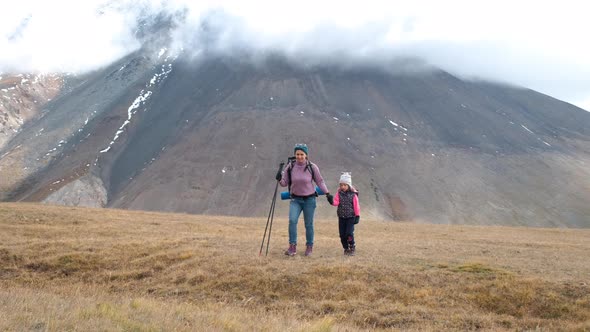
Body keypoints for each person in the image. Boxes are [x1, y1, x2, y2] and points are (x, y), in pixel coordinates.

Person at [276, 144, 330, 257]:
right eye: (297, 154)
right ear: (295, 155)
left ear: (306, 155)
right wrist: (279, 178)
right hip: (295, 199)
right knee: (292, 221)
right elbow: (284, 183)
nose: (299, 156)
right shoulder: (290, 167)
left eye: (302, 154)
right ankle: (292, 246)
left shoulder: (312, 167)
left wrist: (327, 193)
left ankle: (309, 247)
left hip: (309, 200)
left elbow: (320, 181)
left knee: (308, 224)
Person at [326, 172, 360, 256]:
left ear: (349, 185)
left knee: (349, 233)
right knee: (342, 235)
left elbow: (356, 206)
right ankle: (346, 248)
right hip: (341, 217)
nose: (342, 187)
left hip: (350, 217)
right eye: (341, 185)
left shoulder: (353, 195)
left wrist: (357, 216)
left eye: (345, 185)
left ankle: (352, 246)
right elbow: (336, 203)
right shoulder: (339, 193)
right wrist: (331, 200)